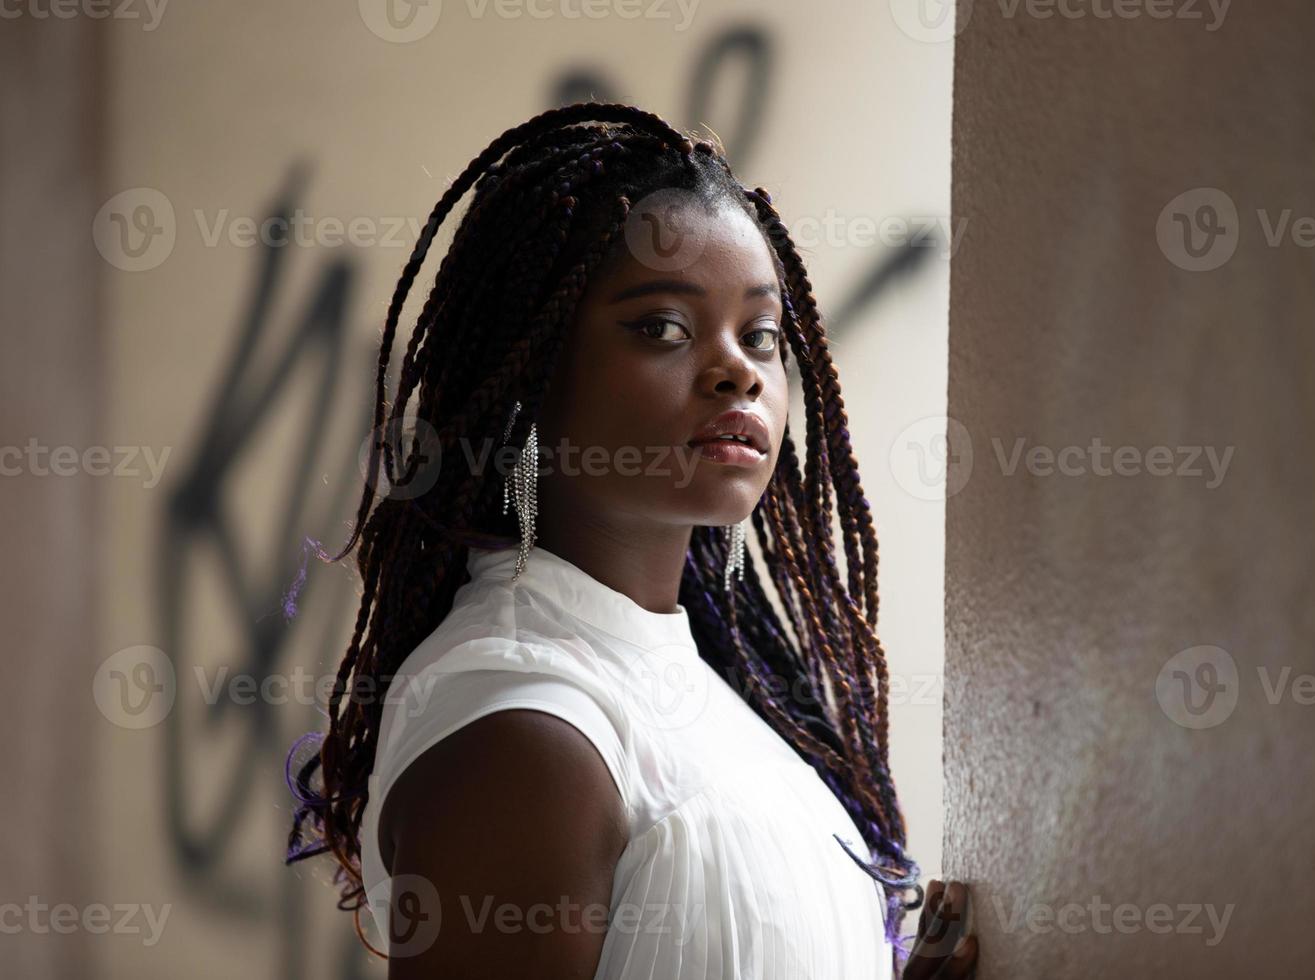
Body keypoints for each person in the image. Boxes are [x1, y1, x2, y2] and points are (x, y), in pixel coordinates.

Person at [283, 102, 977, 978]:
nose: (737, 369)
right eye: (663, 328)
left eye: (760, 335)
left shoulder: (715, 704)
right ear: (533, 375)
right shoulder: (528, 728)